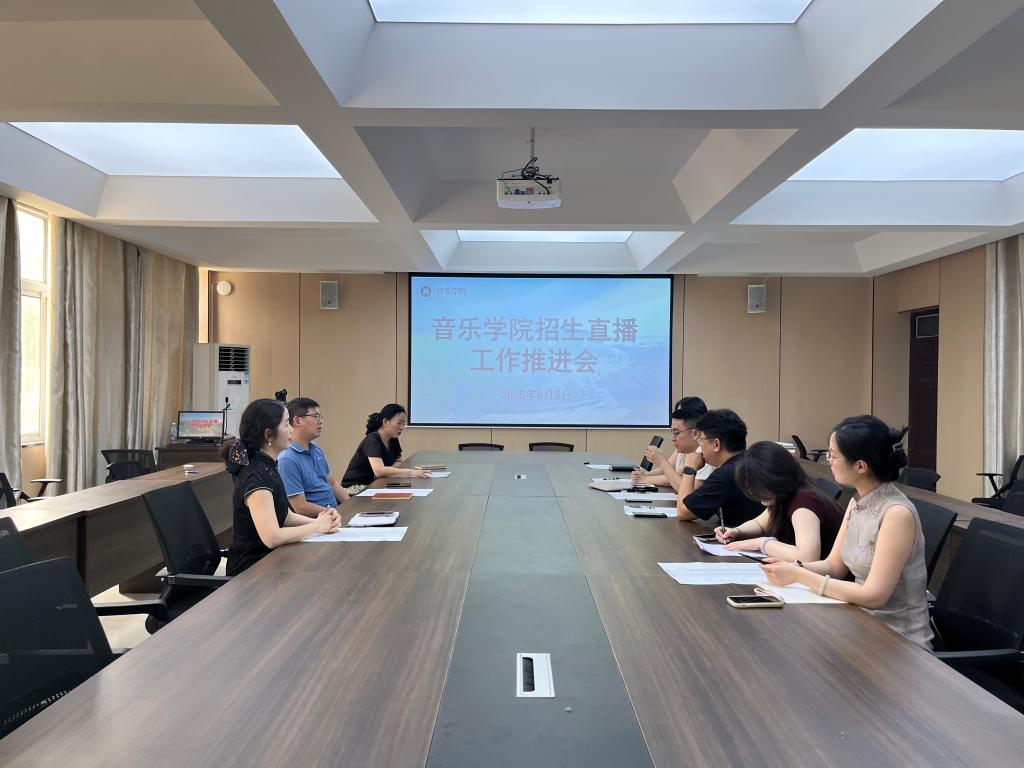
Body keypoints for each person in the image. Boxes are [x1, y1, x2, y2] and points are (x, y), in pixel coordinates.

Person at [760, 415, 933, 648]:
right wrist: (792, 567)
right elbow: (834, 566)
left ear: (860, 466)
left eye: (833, 455)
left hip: (899, 640)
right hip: (859, 623)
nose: (828, 460)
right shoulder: (857, 501)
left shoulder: (896, 513)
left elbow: (874, 595)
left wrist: (800, 575)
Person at [223, 398, 341, 576]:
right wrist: (317, 527)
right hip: (251, 571)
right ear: (269, 435)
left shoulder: (268, 465)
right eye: (287, 424)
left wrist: (324, 522)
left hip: (271, 560)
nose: (292, 430)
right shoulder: (257, 475)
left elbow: (285, 516)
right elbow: (272, 537)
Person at [715, 441, 843, 562]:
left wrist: (761, 544)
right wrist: (736, 531)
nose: (752, 492)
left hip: (827, 577)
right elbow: (760, 524)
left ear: (775, 478)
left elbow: (806, 558)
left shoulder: (804, 502)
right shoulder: (783, 496)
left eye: (756, 485)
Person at [676, 409, 762, 527]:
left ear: (716, 444)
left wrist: (689, 469)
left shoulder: (725, 475)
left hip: (745, 536)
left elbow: (683, 513)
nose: (700, 446)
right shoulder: (750, 462)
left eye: (701, 440)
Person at [277, 397, 350, 519]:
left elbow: (332, 483)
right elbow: (299, 507)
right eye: (316, 416)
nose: (320, 421)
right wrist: (334, 513)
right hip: (318, 521)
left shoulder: (315, 449)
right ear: (297, 420)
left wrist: (351, 507)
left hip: (334, 514)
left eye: (320, 417)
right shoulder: (287, 459)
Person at [341, 403, 428, 495]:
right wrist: (410, 472)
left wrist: (387, 471)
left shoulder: (393, 439)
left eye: (403, 424)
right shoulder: (372, 439)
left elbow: (399, 461)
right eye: (399, 423)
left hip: (375, 483)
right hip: (357, 487)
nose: (402, 427)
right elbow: (379, 471)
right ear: (385, 422)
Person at [631, 396, 713, 492]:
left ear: (695, 433)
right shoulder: (684, 448)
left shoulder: (706, 452)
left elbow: (689, 492)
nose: (672, 438)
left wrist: (648, 476)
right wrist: (645, 476)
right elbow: (671, 474)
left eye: (676, 432)